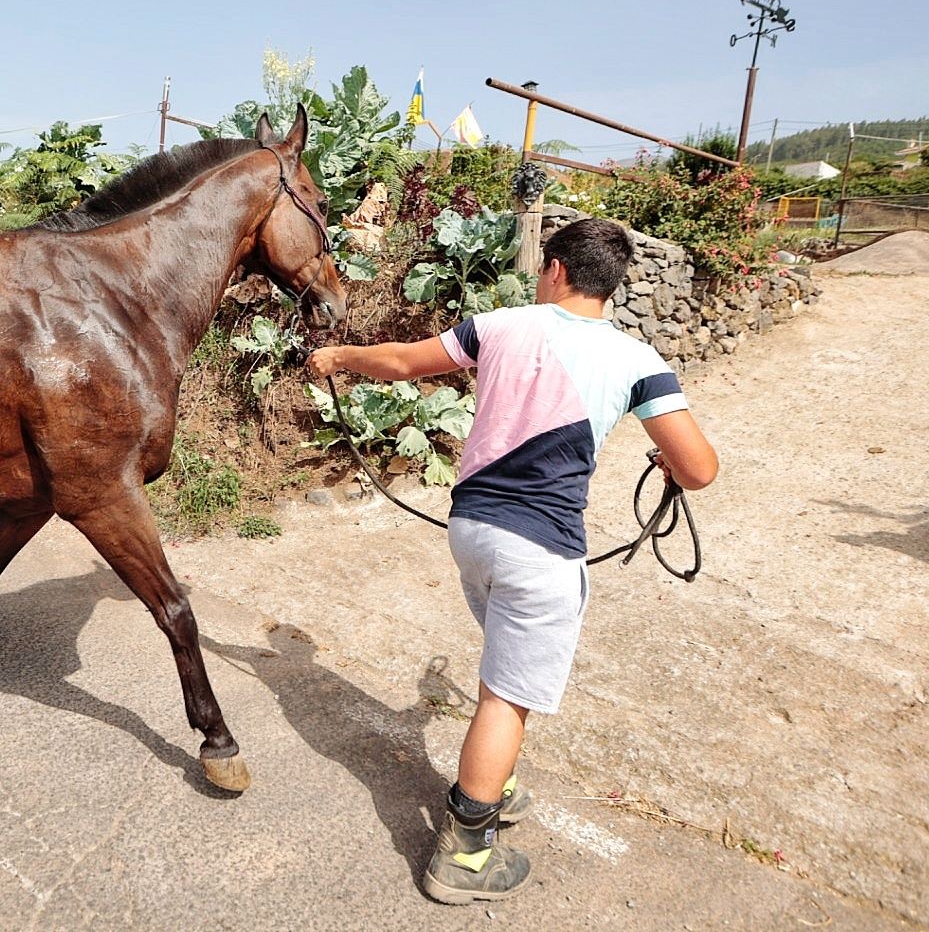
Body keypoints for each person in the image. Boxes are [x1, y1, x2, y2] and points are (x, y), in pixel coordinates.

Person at [308, 217, 718, 905]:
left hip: (471, 529)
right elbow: (699, 469)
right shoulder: (638, 360)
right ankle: (466, 854)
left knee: (503, 665)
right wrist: (668, 463)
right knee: (507, 696)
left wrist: (340, 358)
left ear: (556, 268)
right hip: (540, 548)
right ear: (609, 285)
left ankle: (490, 776)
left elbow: (406, 362)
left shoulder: (496, 324)